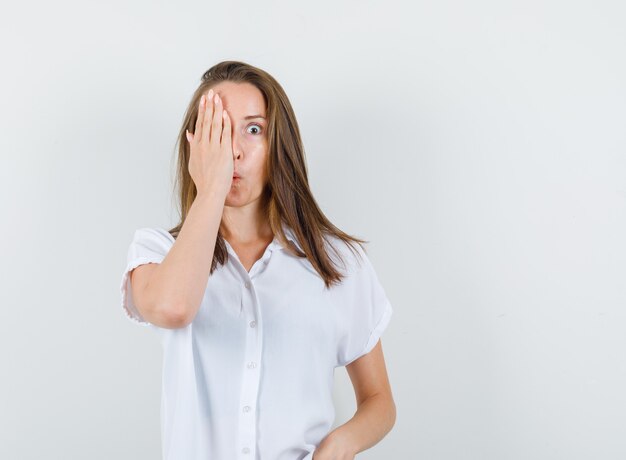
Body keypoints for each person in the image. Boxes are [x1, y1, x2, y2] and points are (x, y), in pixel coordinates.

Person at [120, 60, 395, 460]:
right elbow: (174, 308)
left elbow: (379, 400)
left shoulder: (337, 261)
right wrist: (211, 187)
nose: (233, 150)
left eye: (253, 130)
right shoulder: (156, 252)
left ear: (277, 144)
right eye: (218, 131)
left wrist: (344, 441)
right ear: (195, 145)